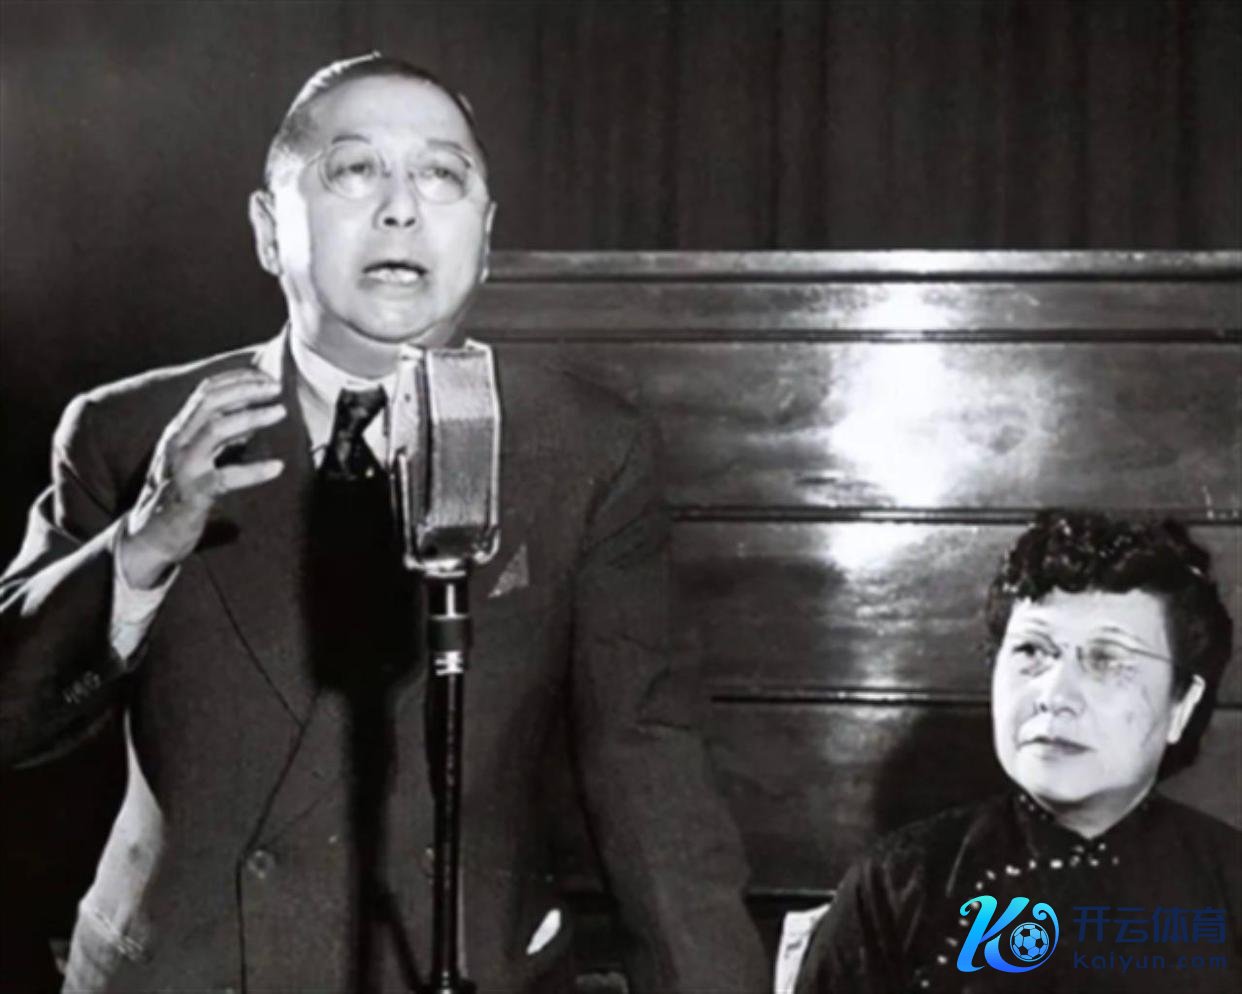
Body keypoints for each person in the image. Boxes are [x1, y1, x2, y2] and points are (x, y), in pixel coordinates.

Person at [0, 54, 767, 993]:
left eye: (442, 174)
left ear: (486, 236)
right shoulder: (129, 432)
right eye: (355, 170)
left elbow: (653, 775)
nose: (402, 208)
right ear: (268, 230)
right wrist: (144, 545)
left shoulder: (586, 448)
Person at [793, 510, 1241, 993]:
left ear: (1181, 704)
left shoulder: (1229, 885)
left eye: (1107, 660)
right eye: (1032, 651)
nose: (1055, 694)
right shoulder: (896, 884)